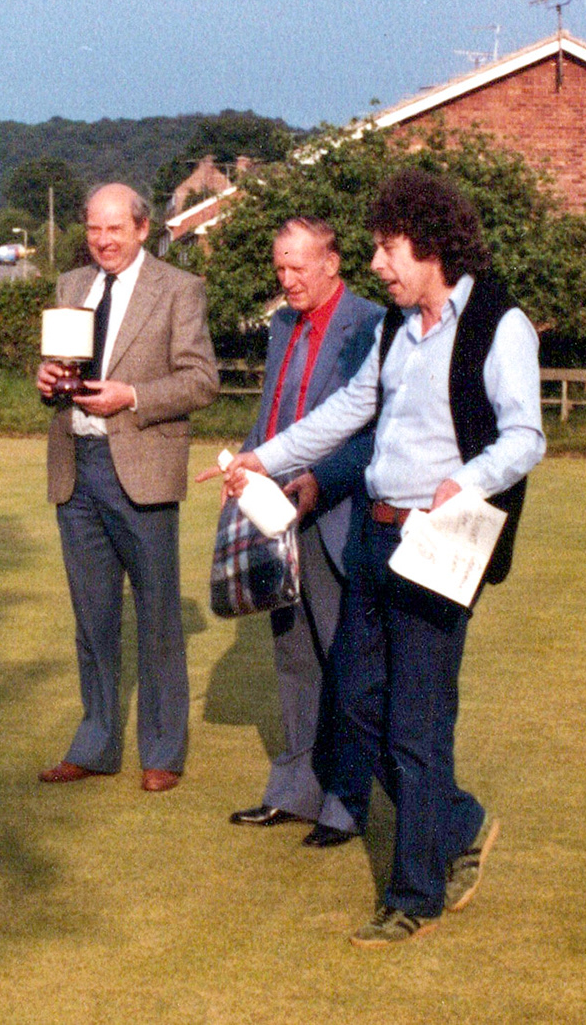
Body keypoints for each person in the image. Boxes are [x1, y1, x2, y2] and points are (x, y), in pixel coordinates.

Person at [211, 170, 544, 946]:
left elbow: (527, 436)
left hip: (441, 541)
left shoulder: (500, 323)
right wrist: (262, 456)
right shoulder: (397, 327)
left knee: (414, 726)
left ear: (429, 244)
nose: (380, 267)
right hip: (374, 535)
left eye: (388, 250)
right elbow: (347, 410)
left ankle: (414, 894)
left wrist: (467, 479)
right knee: (358, 703)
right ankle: (458, 821)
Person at [35, 184, 219, 792]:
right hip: (75, 466)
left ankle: (161, 751)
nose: (103, 240)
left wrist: (131, 397)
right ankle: (96, 743)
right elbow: (59, 369)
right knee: (92, 620)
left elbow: (200, 382)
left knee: (159, 619)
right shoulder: (70, 287)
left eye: (115, 229)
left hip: (140, 471)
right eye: (93, 229)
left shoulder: (179, 288)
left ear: (143, 229)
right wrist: (45, 379)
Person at [223, 218, 383, 848]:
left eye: (299, 268)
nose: (287, 280)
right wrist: (242, 465)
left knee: (344, 662)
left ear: (333, 263)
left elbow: (369, 431)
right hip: (274, 510)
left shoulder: (373, 324)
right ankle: (293, 792)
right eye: (280, 268)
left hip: (337, 509)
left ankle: (345, 804)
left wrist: (321, 478)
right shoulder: (283, 324)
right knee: (292, 657)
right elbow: (273, 414)